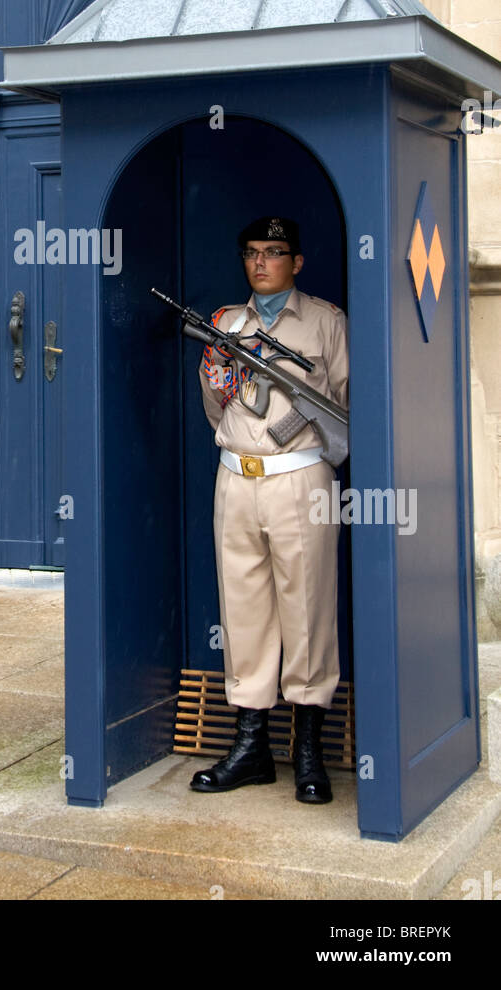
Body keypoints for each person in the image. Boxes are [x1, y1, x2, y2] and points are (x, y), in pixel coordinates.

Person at [190, 216, 349, 804]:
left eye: (275, 253)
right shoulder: (228, 324)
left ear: (297, 262)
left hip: (299, 480)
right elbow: (216, 404)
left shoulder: (325, 322)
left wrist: (287, 441)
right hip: (236, 479)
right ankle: (251, 745)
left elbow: (342, 400)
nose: (261, 263)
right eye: (253, 252)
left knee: (307, 608)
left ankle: (307, 749)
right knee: (244, 608)